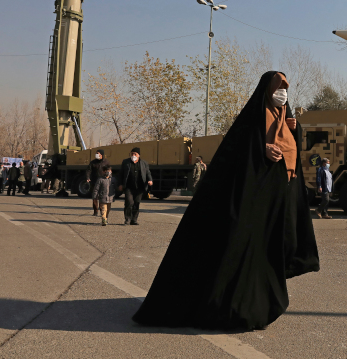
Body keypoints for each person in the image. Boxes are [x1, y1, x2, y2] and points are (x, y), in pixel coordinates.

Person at [132, 71, 320, 331]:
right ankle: (231, 306)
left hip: (278, 197)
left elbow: (293, 157)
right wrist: (261, 148)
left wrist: (294, 131)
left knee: (268, 251)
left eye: (286, 87)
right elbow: (235, 149)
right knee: (241, 248)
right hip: (251, 199)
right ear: (266, 89)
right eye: (279, 87)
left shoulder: (285, 119)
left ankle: (258, 303)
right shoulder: (253, 119)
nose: (283, 92)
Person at [120, 148, 153, 225]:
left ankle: (134, 220)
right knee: (129, 202)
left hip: (140, 187)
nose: (133, 155)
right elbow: (121, 174)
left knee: (136, 203)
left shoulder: (144, 163)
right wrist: (120, 184)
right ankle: (127, 219)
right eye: (132, 154)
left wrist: (150, 180)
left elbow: (148, 173)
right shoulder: (126, 162)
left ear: (139, 155)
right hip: (129, 187)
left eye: (135, 154)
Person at [86, 149, 109, 216]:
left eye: (98, 153)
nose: (96, 154)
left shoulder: (106, 162)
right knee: (95, 197)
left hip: (103, 182)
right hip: (94, 181)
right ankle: (95, 211)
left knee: (102, 197)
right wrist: (88, 178)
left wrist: (108, 178)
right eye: (96, 153)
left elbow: (109, 171)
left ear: (101, 155)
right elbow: (88, 170)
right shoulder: (93, 162)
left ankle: (102, 210)